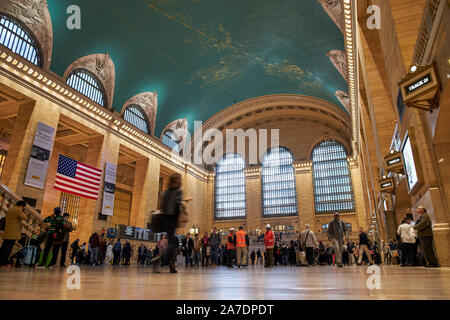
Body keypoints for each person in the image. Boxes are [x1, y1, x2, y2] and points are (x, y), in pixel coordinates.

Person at [156, 173, 190, 273]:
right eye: (180, 180)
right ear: (177, 181)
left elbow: (162, 206)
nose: (181, 182)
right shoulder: (178, 191)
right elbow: (178, 204)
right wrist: (186, 201)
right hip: (172, 220)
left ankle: (171, 265)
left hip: (165, 220)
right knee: (171, 243)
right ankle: (161, 257)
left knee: (171, 240)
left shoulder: (165, 193)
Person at [0, 200, 27, 268]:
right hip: (13, 232)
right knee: (8, 248)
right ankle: (4, 262)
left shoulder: (11, 209)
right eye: (23, 207)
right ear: (21, 205)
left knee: (4, 247)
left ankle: (1, 262)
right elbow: (24, 217)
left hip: (7, 231)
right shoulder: (18, 210)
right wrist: (23, 211)